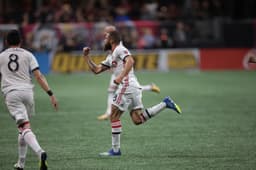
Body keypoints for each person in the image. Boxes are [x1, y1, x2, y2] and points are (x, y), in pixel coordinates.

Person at [83, 30, 181, 156]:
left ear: (112, 40)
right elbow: (96, 70)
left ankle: (116, 150)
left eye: (106, 38)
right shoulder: (111, 57)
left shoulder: (119, 49)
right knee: (137, 120)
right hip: (133, 87)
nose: (104, 40)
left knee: (113, 115)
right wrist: (86, 57)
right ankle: (165, 103)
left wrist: (120, 77)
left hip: (126, 86)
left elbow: (130, 61)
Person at [0, 30, 58, 170]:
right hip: (28, 93)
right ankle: (21, 163)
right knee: (23, 129)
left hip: (12, 94)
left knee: (24, 128)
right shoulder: (28, 55)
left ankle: (40, 152)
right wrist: (51, 94)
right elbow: (39, 76)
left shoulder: (1, 56)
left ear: (6, 42)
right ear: (20, 41)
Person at [97, 25, 160, 121]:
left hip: (119, 72)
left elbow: (127, 59)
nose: (105, 34)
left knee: (120, 89)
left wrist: (117, 70)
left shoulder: (117, 45)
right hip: (117, 71)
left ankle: (109, 113)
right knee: (127, 89)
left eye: (107, 32)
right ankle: (150, 87)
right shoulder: (112, 41)